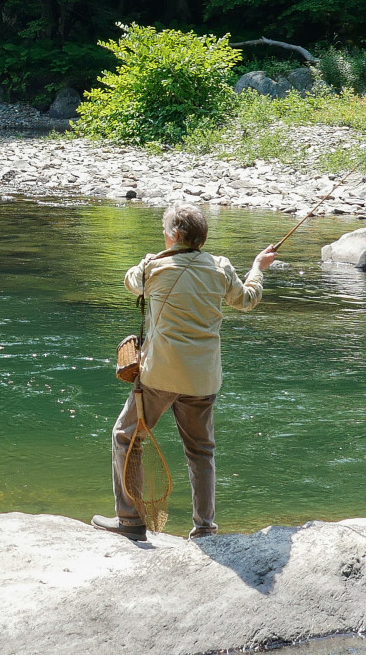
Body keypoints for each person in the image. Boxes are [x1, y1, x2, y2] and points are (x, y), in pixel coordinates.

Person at [93, 203, 278, 540]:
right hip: (203, 378)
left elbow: (130, 283)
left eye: (166, 232)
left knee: (127, 437)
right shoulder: (220, 268)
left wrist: (148, 259)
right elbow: (248, 299)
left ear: (174, 236)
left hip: (159, 376)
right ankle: (205, 528)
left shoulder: (154, 267)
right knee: (201, 451)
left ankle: (130, 521)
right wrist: (258, 266)